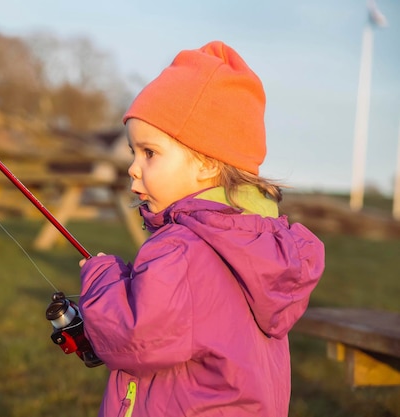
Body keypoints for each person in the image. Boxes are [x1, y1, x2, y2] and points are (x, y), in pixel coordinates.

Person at [78, 40, 325, 417]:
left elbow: (134, 336)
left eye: (150, 153)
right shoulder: (253, 241)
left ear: (208, 164)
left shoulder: (181, 249)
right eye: (133, 152)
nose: (133, 166)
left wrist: (102, 279)